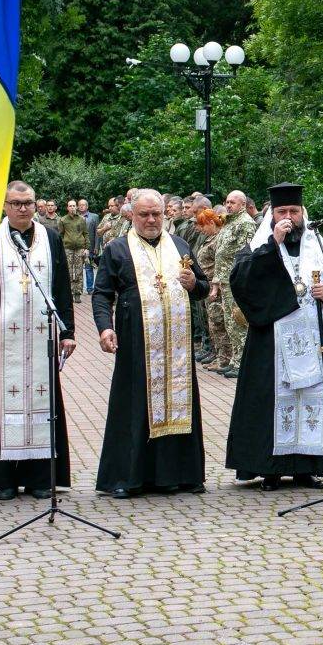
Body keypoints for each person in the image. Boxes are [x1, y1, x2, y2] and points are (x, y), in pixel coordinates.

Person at [226, 182, 323, 490]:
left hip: (311, 340)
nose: (288, 217)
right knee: (273, 400)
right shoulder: (259, 246)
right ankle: (270, 470)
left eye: (293, 212)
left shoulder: (320, 247)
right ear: (272, 215)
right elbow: (241, 283)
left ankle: (305, 469)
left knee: (308, 399)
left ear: (302, 213)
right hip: (272, 342)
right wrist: (273, 244)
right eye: (281, 212)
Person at [92, 190, 209, 498]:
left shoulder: (181, 246)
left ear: (164, 214)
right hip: (136, 344)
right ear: (132, 215)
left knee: (177, 404)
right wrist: (105, 328)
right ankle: (128, 477)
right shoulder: (116, 249)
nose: (151, 219)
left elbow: (204, 288)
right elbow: (102, 294)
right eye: (144, 214)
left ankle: (178, 475)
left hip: (177, 347)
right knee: (135, 406)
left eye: (156, 213)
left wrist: (195, 284)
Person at [0, 181, 75, 500]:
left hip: (41, 336)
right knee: (2, 404)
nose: (22, 208)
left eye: (28, 202)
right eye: (15, 203)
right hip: (3, 336)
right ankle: (3, 479)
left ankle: (40, 478)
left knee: (45, 405)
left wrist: (68, 332)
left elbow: (61, 288)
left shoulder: (51, 238)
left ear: (36, 205)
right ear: (4, 206)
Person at [213, 190, 256, 379]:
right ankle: (234, 360)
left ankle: (242, 363)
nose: (228, 205)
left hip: (236, 280)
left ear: (243, 205)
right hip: (224, 279)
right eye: (227, 202)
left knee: (238, 321)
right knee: (230, 323)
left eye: (232, 202)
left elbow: (245, 254)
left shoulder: (246, 223)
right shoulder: (230, 222)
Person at [194, 209, 232, 372]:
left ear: (211, 222)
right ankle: (218, 354)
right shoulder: (210, 238)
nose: (201, 229)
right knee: (211, 323)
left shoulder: (218, 239)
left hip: (215, 287)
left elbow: (220, 263)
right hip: (207, 285)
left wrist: (215, 286)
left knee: (218, 323)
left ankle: (224, 358)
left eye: (203, 225)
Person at [57, 199, 89, 304]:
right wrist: (62, 246)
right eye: (70, 206)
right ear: (67, 208)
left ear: (77, 207)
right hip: (68, 249)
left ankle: (77, 294)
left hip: (80, 248)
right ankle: (69, 293)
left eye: (74, 206)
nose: (72, 208)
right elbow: (60, 235)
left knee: (79, 271)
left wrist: (87, 248)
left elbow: (86, 234)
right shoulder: (63, 220)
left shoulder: (81, 219)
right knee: (68, 272)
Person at [78, 199, 99, 294]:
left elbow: (97, 233)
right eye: (80, 205)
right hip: (77, 247)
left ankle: (90, 288)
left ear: (87, 206)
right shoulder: (74, 217)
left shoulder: (94, 217)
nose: (81, 206)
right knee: (77, 269)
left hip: (89, 247)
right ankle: (78, 289)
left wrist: (96, 247)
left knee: (88, 268)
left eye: (83, 205)